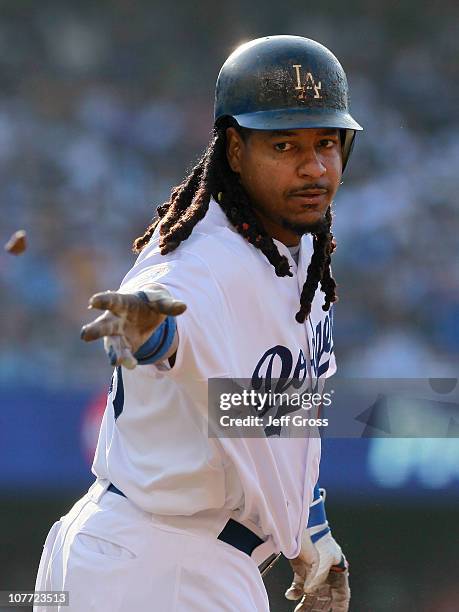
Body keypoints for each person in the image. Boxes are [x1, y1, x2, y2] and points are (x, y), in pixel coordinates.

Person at [34, 35, 362, 612]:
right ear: (234, 149)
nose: (312, 166)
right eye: (284, 144)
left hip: (149, 560)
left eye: (326, 143)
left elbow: (281, 413)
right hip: (162, 566)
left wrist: (311, 532)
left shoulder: (302, 257)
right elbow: (157, 308)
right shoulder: (203, 256)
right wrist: (143, 328)